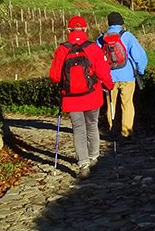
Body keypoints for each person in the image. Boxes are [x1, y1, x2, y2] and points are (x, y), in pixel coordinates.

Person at [49, 16, 114, 178]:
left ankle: (83, 165)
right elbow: (103, 72)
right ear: (85, 29)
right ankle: (94, 157)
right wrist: (110, 86)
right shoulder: (93, 48)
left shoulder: (62, 49)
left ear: (68, 30)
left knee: (78, 129)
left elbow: (54, 76)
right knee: (92, 125)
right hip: (92, 96)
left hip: (71, 99)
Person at [97, 11, 147, 138]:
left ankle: (112, 130)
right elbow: (140, 56)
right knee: (127, 103)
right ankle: (126, 132)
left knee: (110, 104)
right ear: (121, 23)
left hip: (109, 78)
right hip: (127, 76)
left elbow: (97, 59)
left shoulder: (101, 38)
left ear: (109, 23)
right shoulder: (127, 36)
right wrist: (140, 71)